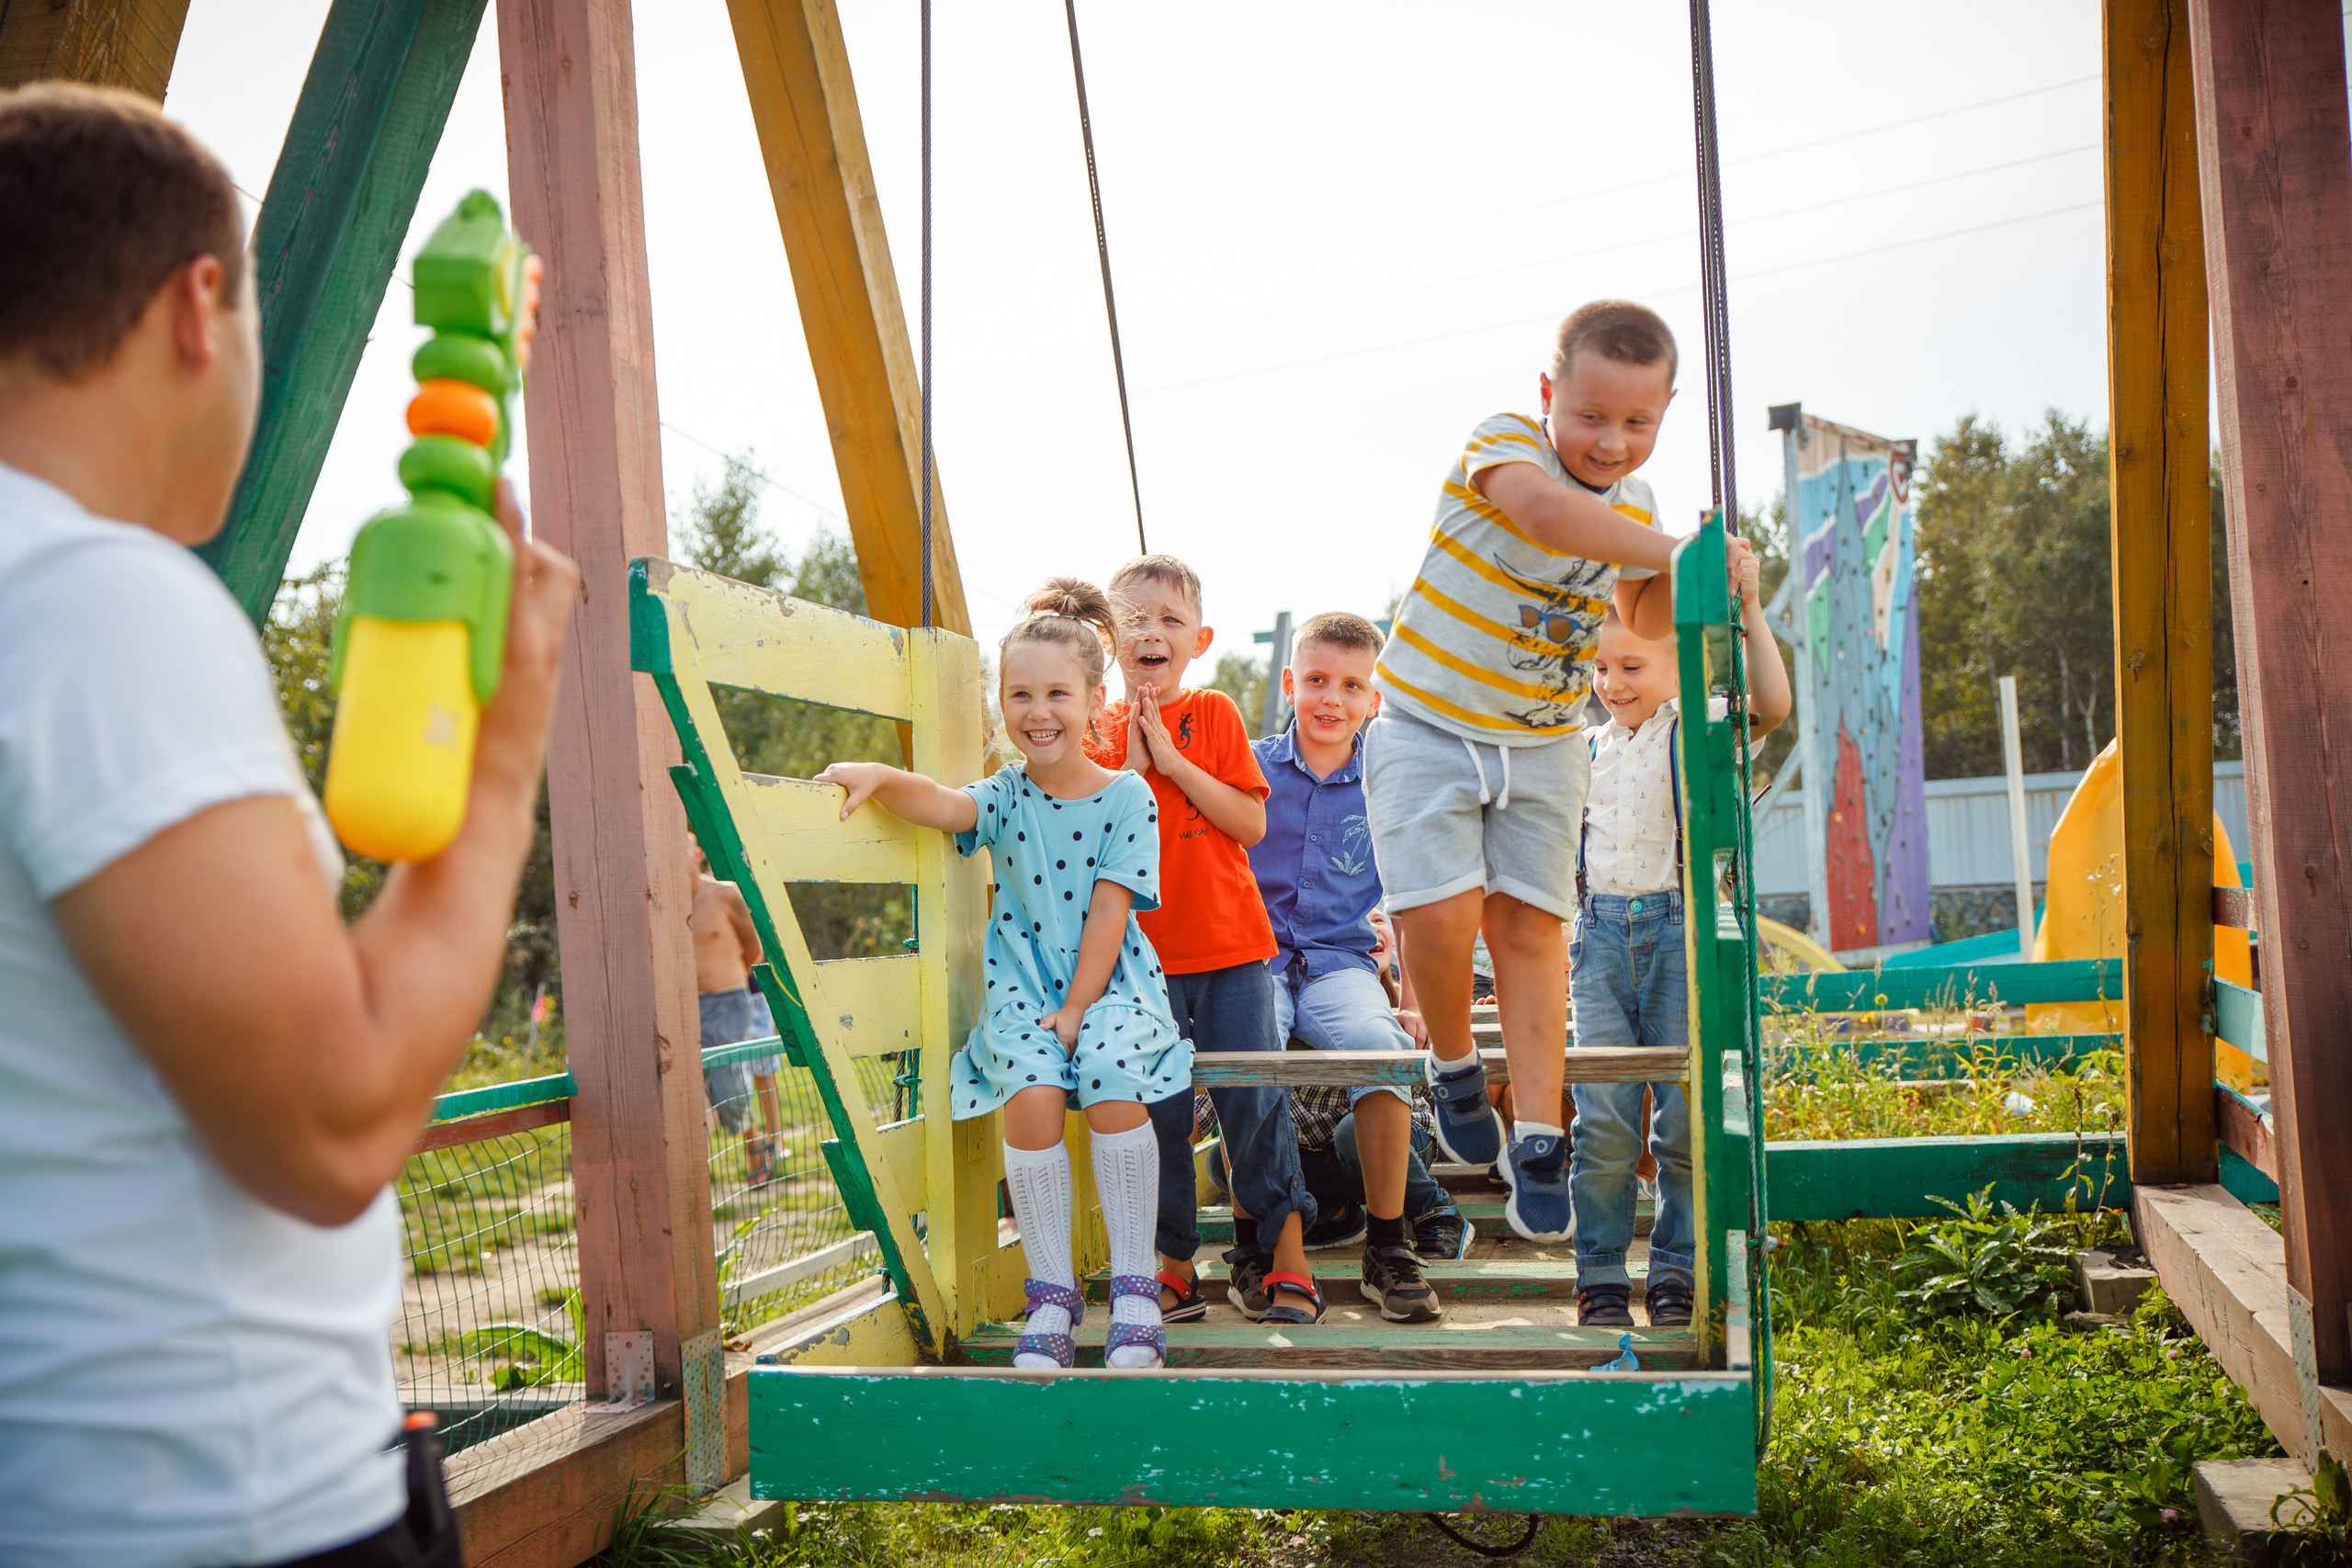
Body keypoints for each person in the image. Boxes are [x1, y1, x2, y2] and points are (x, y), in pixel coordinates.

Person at [0, 84, 577, 1564]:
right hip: (206, 1508)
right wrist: (509, 746)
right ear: (202, 307)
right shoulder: (86, 603)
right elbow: (331, 1120)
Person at [1364, 299, 1752, 1243]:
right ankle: (1454, 1064)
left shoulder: (1641, 506)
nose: (1611, 442)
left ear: (1661, 416)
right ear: (1549, 395)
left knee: (1533, 928)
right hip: (1429, 720)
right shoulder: (1505, 446)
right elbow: (1545, 517)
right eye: (1590, 416)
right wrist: (1669, 551)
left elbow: (1647, 619)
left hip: (1541, 736)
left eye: (1638, 424)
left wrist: (1706, 569)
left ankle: (1537, 1135)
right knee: (1440, 910)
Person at [817, 580, 1184, 1371]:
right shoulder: (1007, 793)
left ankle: (1133, 1288)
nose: (1038, 710)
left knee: (1113, 1078)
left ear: (1094, 700)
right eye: (1020, 693)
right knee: (1032, 1095)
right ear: (1001, 703)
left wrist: (1082, 1006)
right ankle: (1051, 1292)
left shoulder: (1129, 796)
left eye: (1058, 692)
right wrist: (881, 774)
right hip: (1025, 987)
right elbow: (947, 805)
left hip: (1110, 982)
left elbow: (1111, 912)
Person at [1085, 555, 1322, 1326]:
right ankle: (1175, 1268)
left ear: (1199, 640)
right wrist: (1129, 761)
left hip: (1231, 951)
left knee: (1252, 1100)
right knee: (1156, 1113)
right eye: (1135, 620)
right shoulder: (1093, 729)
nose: (1152, 633)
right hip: (1139, 963)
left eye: (1170, 621)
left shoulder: (1213, 713)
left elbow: (1251, 823)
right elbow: (1087, 844)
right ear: (1108, 640)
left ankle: (1288, 1255)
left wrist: (1174, 761)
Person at [1569, 559, 1791, 1327]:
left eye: (1631, 666)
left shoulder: (1697, 730)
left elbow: (1773, 703)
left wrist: (1751, 608)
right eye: (1601, 667)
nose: (1613, 682)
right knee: (1602, 1119)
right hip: (1597, 938)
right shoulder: (1587, 749)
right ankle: (1599, 1274)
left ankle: (1674, 1269)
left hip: (1675, 929)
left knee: (1682, 1119)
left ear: (1682, 670)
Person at [1248, 611, 1445, 1321]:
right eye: (1318, 681)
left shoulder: (1389, 782)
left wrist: (1415, 1000)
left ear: (1375, 699)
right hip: (1258, 959)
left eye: (1351, 685)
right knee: (1249, 1050)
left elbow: (1413, 898)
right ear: (1290, 682)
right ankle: (1259, 1240)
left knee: (1382, 1050)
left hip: (1339, 963)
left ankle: (1388, 1245)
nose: (1331, 699)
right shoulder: (1248, 768)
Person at [691, 843, 784, 1186]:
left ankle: (765, 1144)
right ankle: (695, 1171)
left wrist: (733, 981)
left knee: (742, 1079)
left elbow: (754, 948)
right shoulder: (666, 901)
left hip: (737, 1000)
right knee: (691, 1084)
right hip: (688, 1005)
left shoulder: (727, 893)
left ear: (699, 853)